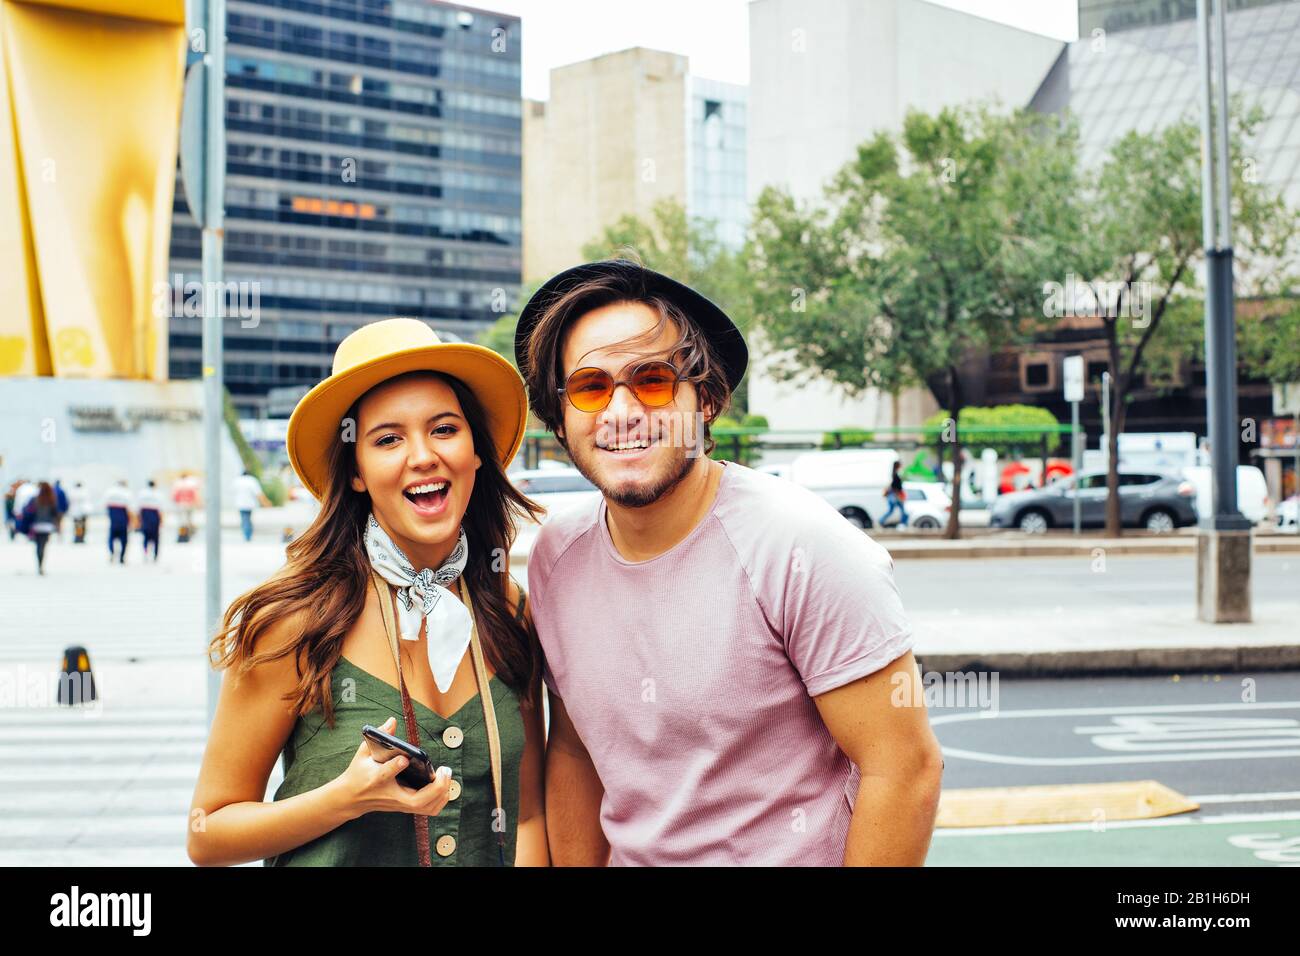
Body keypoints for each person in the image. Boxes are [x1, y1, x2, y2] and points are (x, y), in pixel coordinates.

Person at [515, 259, 944, 866]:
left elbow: (905, 769)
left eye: (653, 381)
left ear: (707, 400)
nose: (621, 412)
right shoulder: (554, 558)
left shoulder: (803, 545)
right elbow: (577, 752)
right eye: (589, 387)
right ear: (561, 419)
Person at [189, 317, 549, 867]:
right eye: (387, 439)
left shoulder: (508, 606)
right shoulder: (296, 619)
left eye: (445, 429)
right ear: (356, 472)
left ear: (476, 451)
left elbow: (527, 816)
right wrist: (343, 800)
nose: (423, 455)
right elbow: (208, 833)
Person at [19, 482, 61, 575]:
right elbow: (55, 514)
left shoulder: (35, 499)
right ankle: (41, 564)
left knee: (38, 546)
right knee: (43, 545)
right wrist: (57, 526)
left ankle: (39, 564)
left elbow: (27, 511)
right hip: (47, 527)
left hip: (36, 526)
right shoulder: (51, 500)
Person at [233, 470, 269, 542]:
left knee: (244, 519)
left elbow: (232, 491)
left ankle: (246, 534)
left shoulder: (237, 481)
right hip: (249, 504)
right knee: (247, 519)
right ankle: (248, 535)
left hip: (240, 504)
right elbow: (258, 493)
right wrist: (265, 503)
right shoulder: (252, 480)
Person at [102, 480, 133, 564]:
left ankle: (112, 553)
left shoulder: (110, 492)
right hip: (123, 520)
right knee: (124, 540)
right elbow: (130, 509)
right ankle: (122, 557)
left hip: (113, 519)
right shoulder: (127, 493)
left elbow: (105, 506)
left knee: (111, 538)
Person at [138, 480, 164, 561]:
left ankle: (145, 553)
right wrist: (162, 521)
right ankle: (155, 555)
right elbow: (161, 510)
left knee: (146, 537)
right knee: (155, 539)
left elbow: (138, 509)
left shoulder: (142, 494)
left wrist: (138, 521)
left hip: (145, 517)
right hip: (154, 517)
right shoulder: (158, 494)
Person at [172, 472, 199, 542]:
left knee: (181, 521)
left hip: (181, 504)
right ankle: (188, 534)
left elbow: (174, 496)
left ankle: (182, 535)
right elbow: (195, 495)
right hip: (190, 504)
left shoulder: (177, 484)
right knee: (189, 520)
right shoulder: (191, 483)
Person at [882, 459, 909, 528]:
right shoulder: (896, 475)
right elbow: (895, 487)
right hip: (896, 496)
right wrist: (899, 495)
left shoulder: (894, 474)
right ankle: (903, 524)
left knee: (894, 510)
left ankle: (881, 521)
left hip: (894, 495)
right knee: (902, 511)